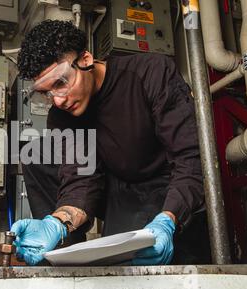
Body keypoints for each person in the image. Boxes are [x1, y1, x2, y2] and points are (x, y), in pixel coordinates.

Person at [11, 20, 211, 266]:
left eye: (61, 83)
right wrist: (59, 222)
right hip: (115, 184)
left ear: (85, 60)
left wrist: (168, 219)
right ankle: (62, 252)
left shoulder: (151, 73)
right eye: (46, 92)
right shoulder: (61, 115)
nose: (58, 100)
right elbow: (81, 177)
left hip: (163, 184)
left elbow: (191, 159)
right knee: (38, 154)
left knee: (132, 267)